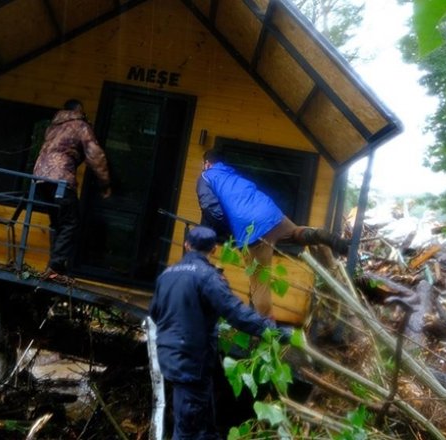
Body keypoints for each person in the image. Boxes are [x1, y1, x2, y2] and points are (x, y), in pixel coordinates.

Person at [149, 226, 289, 440]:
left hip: (170, 356)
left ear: (187, 245)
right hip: (192, 362)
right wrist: (273, 331)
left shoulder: (166, 275)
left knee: (205, 426)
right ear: (214, 249)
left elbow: (155, 313)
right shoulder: (208, 277)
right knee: (187, 429)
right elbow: (236, 313)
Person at [197, 149, 348, 317]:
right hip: (271, 213)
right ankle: (318, 234)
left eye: (203, 165)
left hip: (251, 231)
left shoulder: (206, 177)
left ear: (207, 163)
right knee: (296, 234)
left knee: (260, 285)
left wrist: (226, 230)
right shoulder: (232, 175)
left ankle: (268, 331)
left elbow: (210, 209)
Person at [32, 99, 111, 282]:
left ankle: (53, 265)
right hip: (60, 179)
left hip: (39, 179)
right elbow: (96, 155)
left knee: (57, 222)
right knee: (70, 223)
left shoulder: (53, 126)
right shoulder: (80, 126)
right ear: (78, 110)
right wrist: (105, 184)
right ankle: (56, 267)